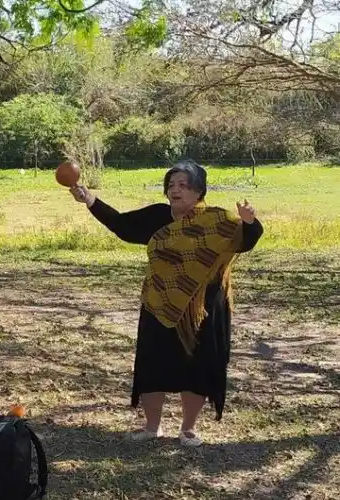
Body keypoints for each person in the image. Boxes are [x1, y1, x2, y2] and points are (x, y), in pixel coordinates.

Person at [69, 159, 263, 446]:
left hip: (201, 308)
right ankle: (152, 426)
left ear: (199, 191)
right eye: (171, 185)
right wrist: (89, 199)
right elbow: (123, 226)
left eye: (183, 185)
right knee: (152, 363)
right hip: (158, 302)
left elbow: (244, 240)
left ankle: (188, 429)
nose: (176, 190)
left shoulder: (216, 220)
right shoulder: (157, 216)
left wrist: (249, 221)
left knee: (195, 365)